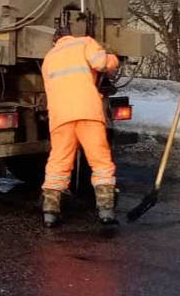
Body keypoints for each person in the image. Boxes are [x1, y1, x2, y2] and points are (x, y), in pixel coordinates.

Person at [41, 26, 120, 227]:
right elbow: (101, 63)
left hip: (60, 117)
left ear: (55, 41)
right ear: (70, 36)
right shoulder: (84, 42)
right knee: (100, 160)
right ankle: (106, 210)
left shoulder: (49, 58)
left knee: (59, 161)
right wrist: (113, 58)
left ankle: (50, 211)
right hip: (87, 112)